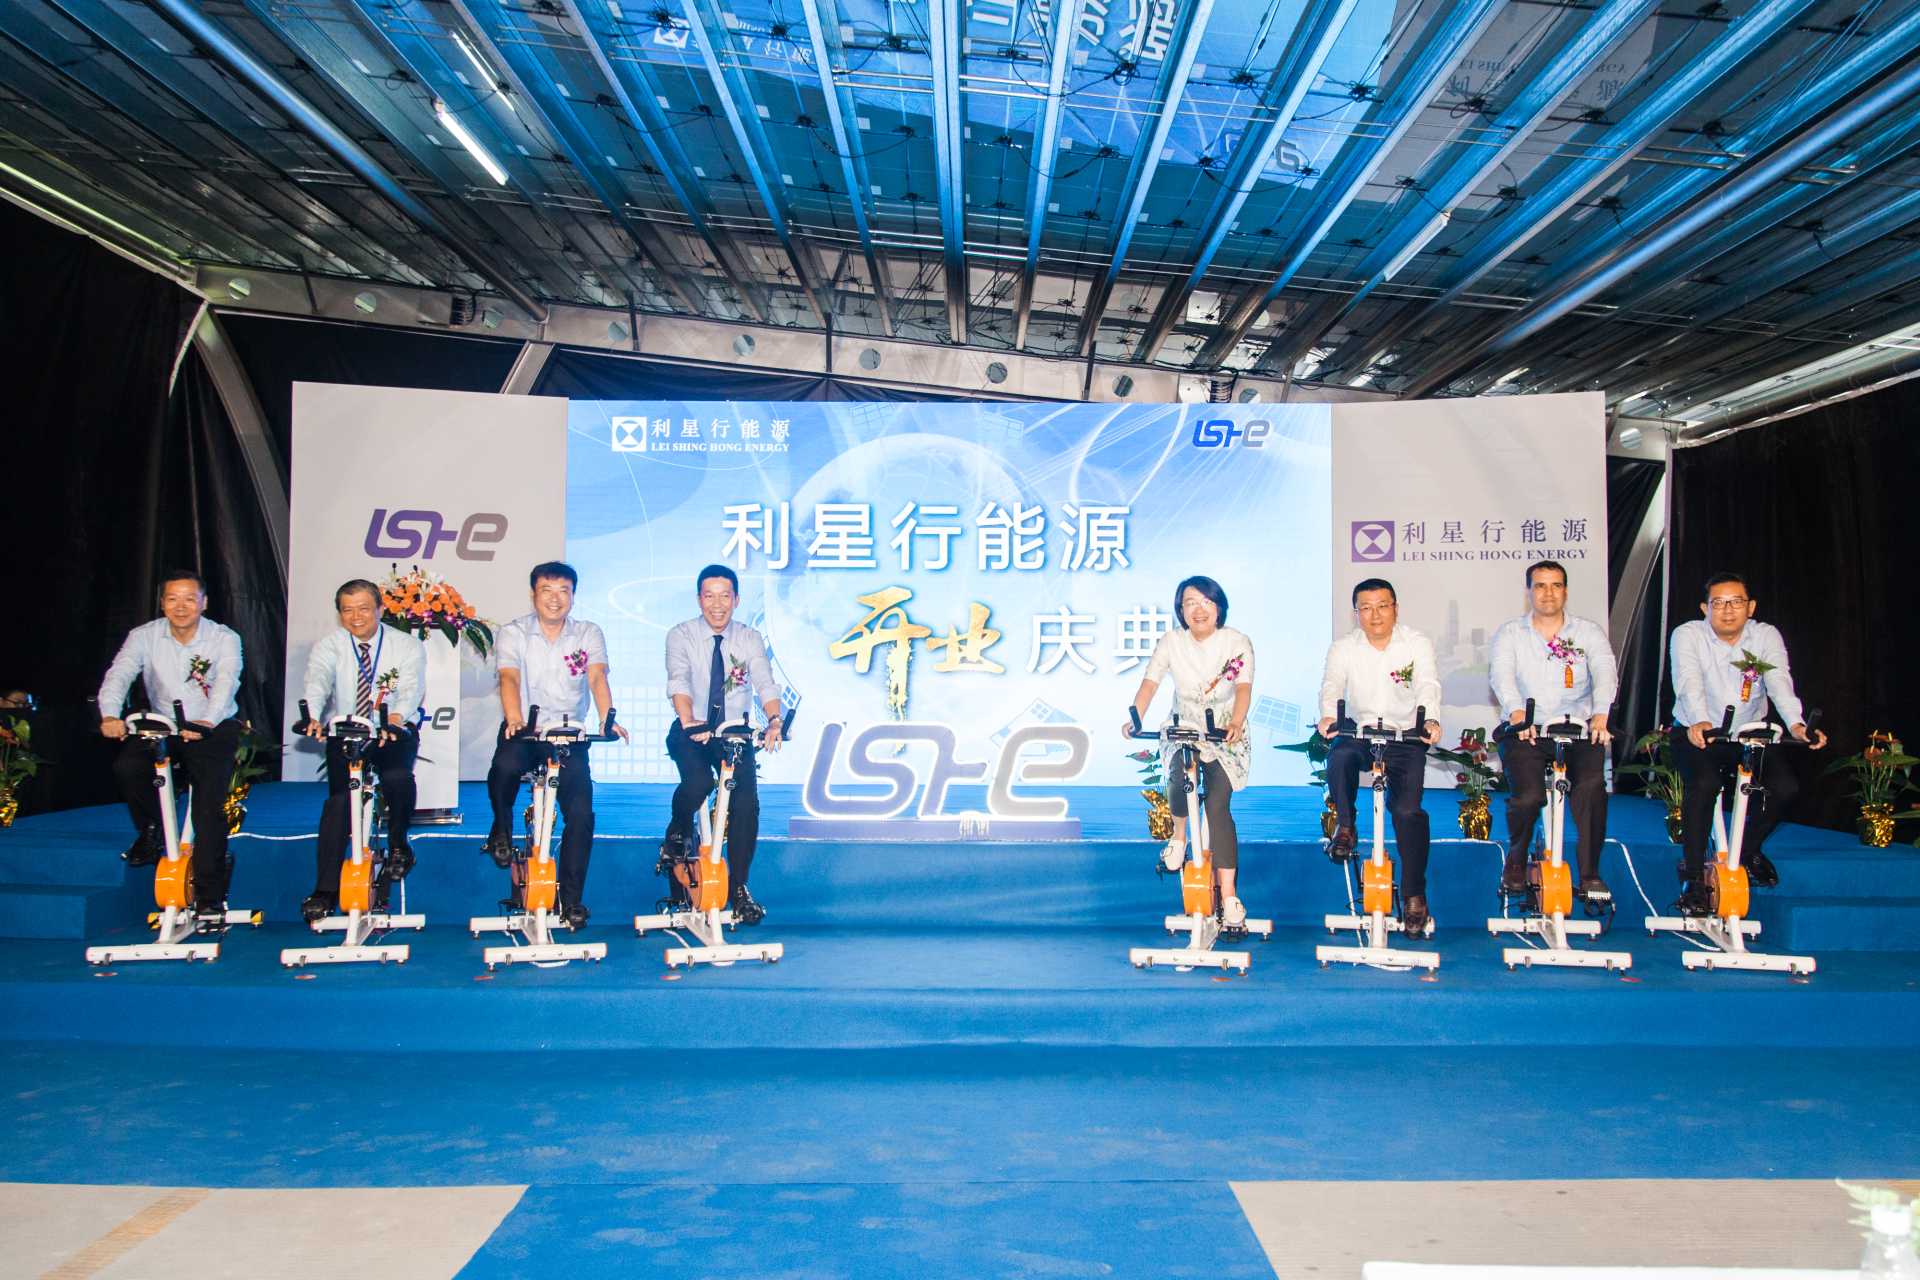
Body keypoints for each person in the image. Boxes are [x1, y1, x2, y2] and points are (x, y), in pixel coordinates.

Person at [1668, 571, 1825, 911]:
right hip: (1699, 732)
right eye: (1719, 603)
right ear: (1705, 608)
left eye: (1736, 602)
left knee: (1785, 787)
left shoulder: (1765, 635)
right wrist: (1700, 720)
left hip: (1749, 733)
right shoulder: (1687, 634)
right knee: (1705, 785)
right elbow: (1687, 680)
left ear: (1750, 607)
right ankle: (1693, 878)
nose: (1728, 610)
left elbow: (1779, 681)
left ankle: (1746, 850)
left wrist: (1797, 724)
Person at [482, 562, 627, 927]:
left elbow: (597, 677)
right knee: (504, 767)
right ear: (534, 594)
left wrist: (607, 718)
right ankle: (501, 828)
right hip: (526, 730)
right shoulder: (515, 632)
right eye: (547, 590)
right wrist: (514, 718)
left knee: (581, 814)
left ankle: (572, 899)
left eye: (564, 591)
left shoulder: (587, 633)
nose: (555, 598)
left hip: (568, 735)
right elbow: (509, 677)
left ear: (573, 596)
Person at [97, 570, 245, 914]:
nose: (181, 607)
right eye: (173, 599)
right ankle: (153, 830)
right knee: (128, 767)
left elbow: (228, 680)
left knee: (208, 806)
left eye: (190, 599)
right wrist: (109, 715)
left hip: (211, 725)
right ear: (162, 603)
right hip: (164, 724)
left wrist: (207, 722)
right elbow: (119, 674)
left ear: (203, 603)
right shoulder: (144, 636)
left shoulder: (223, 638)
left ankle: (209, 896)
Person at [1119, 576, 1255, 928]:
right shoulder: (1172, 642)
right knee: (1179, 779)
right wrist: (1136, 718)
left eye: (1206, 602)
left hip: (1225, 730)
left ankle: (1229, 895)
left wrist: (1236, 722)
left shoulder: (1236, 642)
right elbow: (1150, 682)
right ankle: (1178, 837)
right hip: (1185, 726)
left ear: (1219, 607)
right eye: (1190, 603)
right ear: (1181, 610)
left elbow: (1243, 689)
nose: (1198, 610)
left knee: (1218, 805)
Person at [1317, 578, 1443, 933]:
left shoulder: (1416, 643)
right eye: (1366, 608)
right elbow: (1331, 684)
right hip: (1361, 732)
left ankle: (1415, 895)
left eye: (1382, 606)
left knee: (1407, 812)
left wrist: (1430, 720)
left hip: (1405, 737)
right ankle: (1346, 825)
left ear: (1395, 608)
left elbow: (1428, 684)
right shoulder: (1344, 647)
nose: (1375, 615)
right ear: (1356, 613)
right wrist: (1328, 716)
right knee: (1340, 756)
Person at [661, 564, 785, 925]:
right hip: (692, 729)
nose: (717, 604)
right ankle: (678, 828)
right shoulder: (681, 635)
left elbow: (765, 681)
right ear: (699, 599)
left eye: (725, 596)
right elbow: (678, 681)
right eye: (709, 596)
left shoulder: (748, 638)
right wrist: (689, 720)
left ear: (736, 600)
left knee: (746, 804)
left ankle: (740, 886)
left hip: (733, 734)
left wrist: (774, 720)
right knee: (699, 782)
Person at [1489, 560, 1618, 899]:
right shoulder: (1511, 633)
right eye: (1540, 586)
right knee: (1529, 796)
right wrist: (1517, 713)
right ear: (1529, 592)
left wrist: (1601, 714)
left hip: (1578, 729)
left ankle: (1590, 874)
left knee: (1591, 787)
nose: (1548, 593)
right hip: (1526, 730)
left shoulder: (1587, 632)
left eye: (1556, 585)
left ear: (1565, 591)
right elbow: (1501, 675)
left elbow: (1605, 672)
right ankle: (1516, 859)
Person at [298, 579, 424, 922]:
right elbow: (317, 681)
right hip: (349, 731)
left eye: (364, 609)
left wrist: (394, 719)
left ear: (380, 609)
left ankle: (399, 843)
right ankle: (324, 890)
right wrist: (312, 715)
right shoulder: (330, 645)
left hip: (393, 729)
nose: (356, 617)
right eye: (348, 610)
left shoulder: (405, 645)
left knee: (397, 778)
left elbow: (411, 688)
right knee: (339, 803)